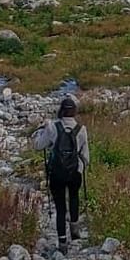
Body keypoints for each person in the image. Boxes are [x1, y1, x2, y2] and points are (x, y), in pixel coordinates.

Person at [31, 95, 90, 251]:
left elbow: (38, 145)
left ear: (61, 111)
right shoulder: (81, 130)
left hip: (57, 173)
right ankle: (75, 231)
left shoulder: (52, 127)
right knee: (74, 197)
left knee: (60, 207)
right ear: (75, 112)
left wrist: (40, 130)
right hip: (74, 172)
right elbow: (85, 157)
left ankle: (62, 242)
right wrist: (79, 168)